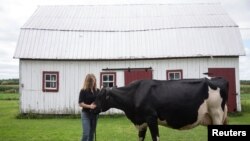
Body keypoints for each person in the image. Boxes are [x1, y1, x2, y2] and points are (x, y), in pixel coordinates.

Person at [79, 74, 99, 141]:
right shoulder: (83, 91)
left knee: (91, 134)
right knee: (86, 134)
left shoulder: (97, 91)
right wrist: (90, 106)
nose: (92, 83)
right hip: (86, 114)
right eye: (90, 82)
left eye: (93, 81)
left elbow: (99, 101)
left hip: (94, 115)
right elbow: (80, 103)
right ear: (87, 82)